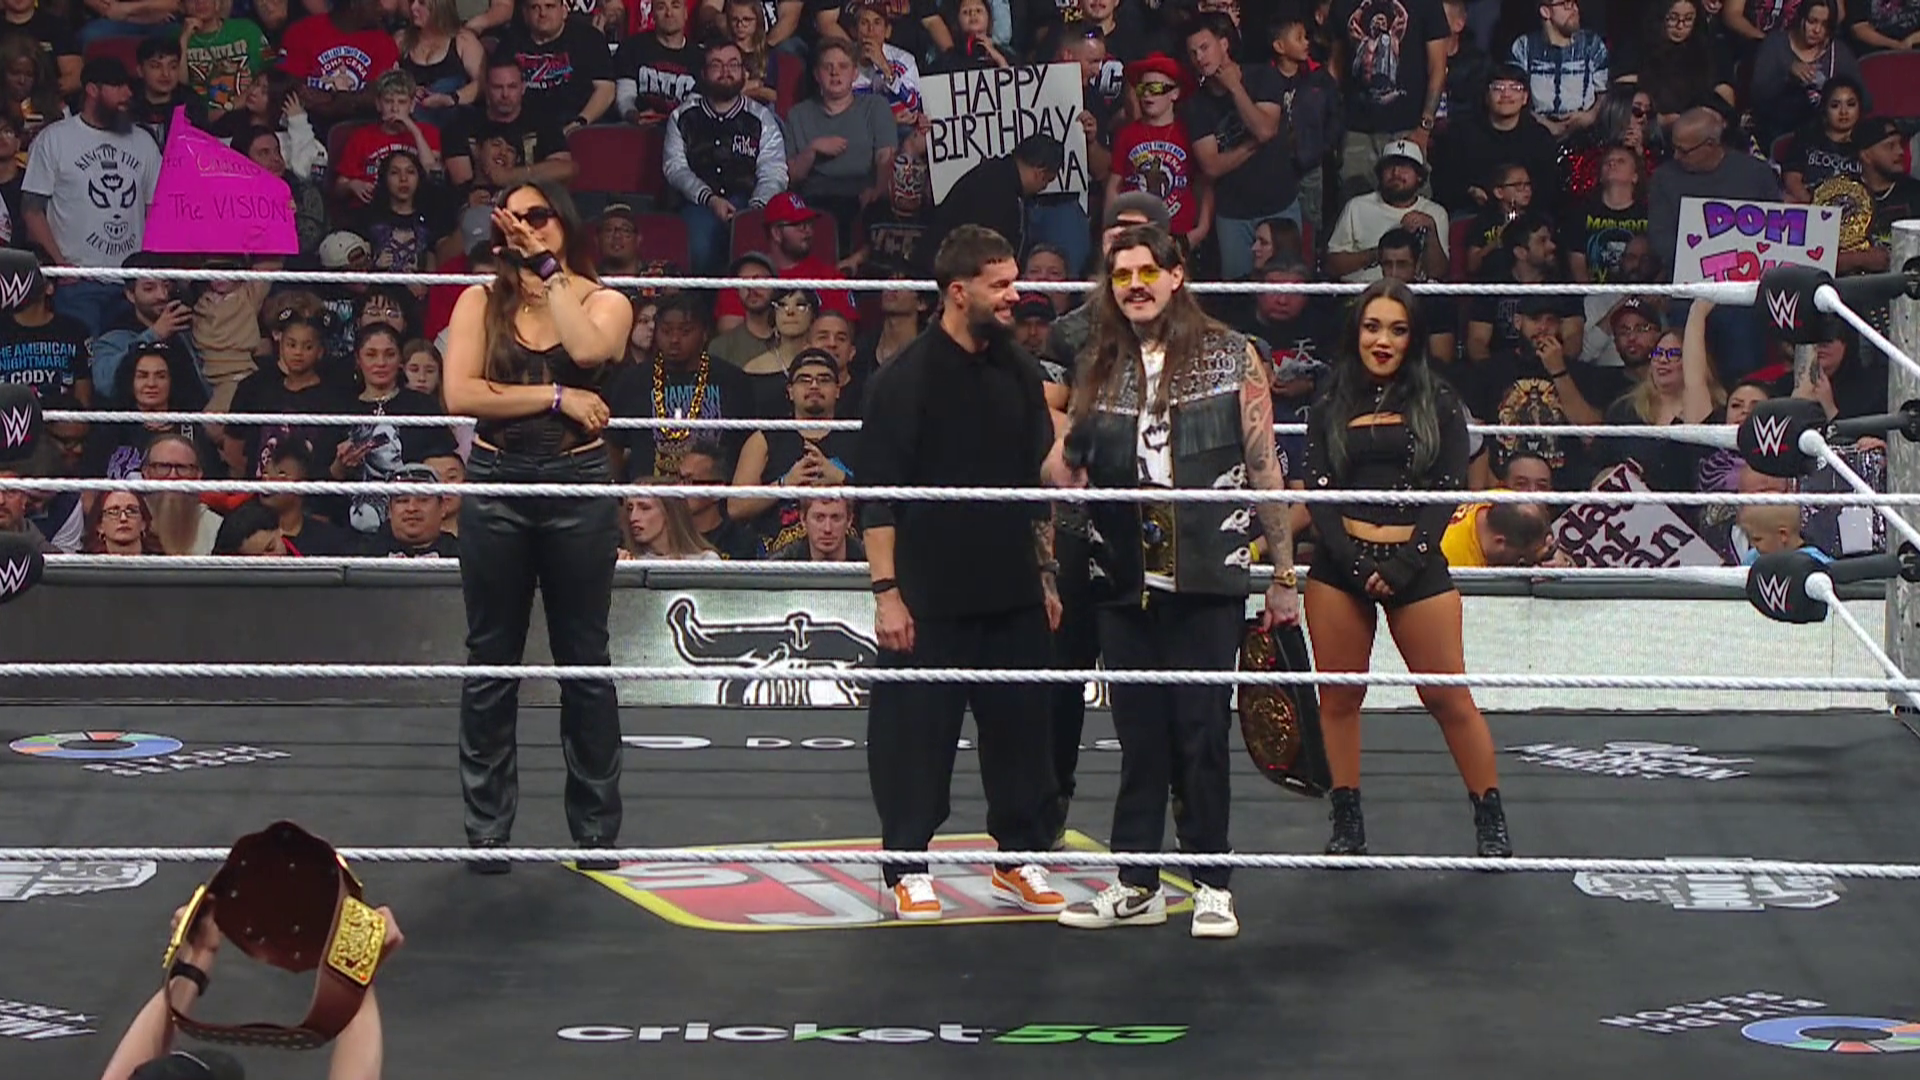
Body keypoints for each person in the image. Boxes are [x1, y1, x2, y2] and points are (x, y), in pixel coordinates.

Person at [1042, 224, 1300, 938]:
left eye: (1147, 271)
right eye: (1122, 275)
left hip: (1209, 570)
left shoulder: (1230, 353)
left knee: (1201, 731)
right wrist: (1059, 472)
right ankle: (1136, 883)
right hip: (1120, 571)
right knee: (1138, 735)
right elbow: (1065, 468)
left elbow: (1264, 466)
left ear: (1176, 274)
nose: (1135, 286)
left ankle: (1212, 883)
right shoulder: (1098, 361)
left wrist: (1283, 574)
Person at [857, 223, 1065, 922]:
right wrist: (887, 594)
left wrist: (1045, 574)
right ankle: (907, 865)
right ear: (957, 292)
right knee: (915, 738)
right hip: (930, 594)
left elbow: (1033, 482)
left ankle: (1019, 857)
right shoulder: (904, 380)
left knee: (1023, 734)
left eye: (1013, 283)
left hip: (1011, 586)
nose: (1013, 297)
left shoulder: (1020, 370)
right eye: (999, 286)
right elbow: (877, 497)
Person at [441, 179, 633, 874]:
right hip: (498, 484)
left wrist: (550, 274)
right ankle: (487, 832)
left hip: (576, 488)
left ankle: (595, 832)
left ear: (564, 223)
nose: (525, 228)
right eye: (514, 219)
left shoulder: (604, 300)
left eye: (539, 217)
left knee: (585, 660)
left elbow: (589, 353)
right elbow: (460, 393)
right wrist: (555, 397)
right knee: (492, 659)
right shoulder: (478, 300)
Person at [1302, 277, 1511, 859]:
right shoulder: (1329, 400)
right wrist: (1354, 562)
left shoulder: (1439, 401)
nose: (1383, 340)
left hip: (1415, 564)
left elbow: (1447, 489)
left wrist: (1402, 564)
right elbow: (1318, 491)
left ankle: (1490, 817)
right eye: (1373, 327)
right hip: (1341, 566)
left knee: (1448, 698)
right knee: (1339, 697)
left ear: (1412, 337)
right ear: (1356, 332)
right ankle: (1346, 820)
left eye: (1396, 329)